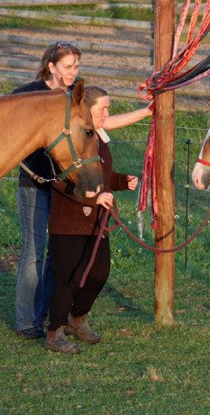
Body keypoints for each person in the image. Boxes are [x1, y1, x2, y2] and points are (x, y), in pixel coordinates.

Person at [10, 41, 152, 339]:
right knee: (34, 252)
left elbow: (101, 122)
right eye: (67, 66)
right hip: (35, 183)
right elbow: (3, 109)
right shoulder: (31, 93)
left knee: (56, 257)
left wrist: (145, 112)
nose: (73, 72)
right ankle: (26, 321)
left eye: (76, 66)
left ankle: (50, 315)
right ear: (51, 66)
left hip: (67, 186)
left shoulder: (73, 99)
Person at [46, 85, 136, 354]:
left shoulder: (100, 138)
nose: (108, 113)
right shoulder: (68, 139)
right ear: (87, 109)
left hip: (97, 221)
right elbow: (59, 182)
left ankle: (77, 320)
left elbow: (103, 176)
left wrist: (121, 181)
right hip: (70, 220)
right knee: (68, 278)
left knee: (98, 273)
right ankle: (54, 333)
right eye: (104, 108)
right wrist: (92, 200)